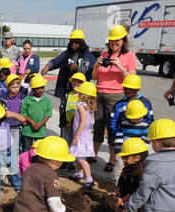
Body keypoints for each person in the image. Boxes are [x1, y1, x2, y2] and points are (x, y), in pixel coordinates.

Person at [91, 25, 137, 171]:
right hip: (99, 94)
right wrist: (96, 66)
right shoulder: (104, 54)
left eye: (117, 40)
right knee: (98, 125)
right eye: (112, 40)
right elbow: (94, 77)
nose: (114, 43)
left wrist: (120, 67)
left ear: (123, 40)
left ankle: (111, 159)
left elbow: (133, 78)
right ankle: (93, 154)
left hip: (116, 96)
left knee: (112, 128)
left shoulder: (129, 55)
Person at [40, 30, 96, 106]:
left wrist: (78, 68)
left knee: (78, 115)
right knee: (64, 113)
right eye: (71, 41)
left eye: (76, 42)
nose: (73, 43)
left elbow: (91, 73)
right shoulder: (66, 54)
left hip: (81, 93)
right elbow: (56, 61)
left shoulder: (89, 56)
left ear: (81, 42)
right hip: (65, 90)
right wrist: (47, 66)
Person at [112, 99, 153, 185]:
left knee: (138, 170)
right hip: (125, 152)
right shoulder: (123, 123)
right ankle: (117, 183)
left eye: (140, 116)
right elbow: (119, 137)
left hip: (138, 153)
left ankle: (136, 185)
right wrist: (118, 151)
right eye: (134, 117)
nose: (138, 119)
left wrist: (141, 154)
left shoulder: (145, 126)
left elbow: (146, 140)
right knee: (119, 165)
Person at [70, 81, 97, 189]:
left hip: (81, 136)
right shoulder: (88, 106)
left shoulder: (81, 106)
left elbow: (83, 121)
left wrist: (76, 136)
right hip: (84, 135)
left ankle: (89, 179)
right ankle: (80, 174)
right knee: (79, 156)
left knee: (81, 159)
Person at [59, 72, 86, 171]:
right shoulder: (68, 95)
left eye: (78, 85)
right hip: (66, 124)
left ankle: (73, 163)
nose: (76, 87)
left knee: (74, 144)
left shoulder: (83, 98)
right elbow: (62, 109)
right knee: (65, 143)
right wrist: (65, 123)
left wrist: (73, 122)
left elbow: (82, 114)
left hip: (76, 125)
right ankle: (65, 161)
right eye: (74, 84)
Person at [20, 73, 52, 152]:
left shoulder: (47, 100)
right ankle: (26, 164)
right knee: (26, 150)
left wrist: (41, 124)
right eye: (37, 88)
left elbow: (48, 114)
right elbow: (23, 112)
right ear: (33, 89)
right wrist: (32, 122)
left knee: (39, 150)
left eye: (42, 87)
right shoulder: (27, 100)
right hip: (28, 130)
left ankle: (37, 164)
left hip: (40, 131)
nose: (40, 90)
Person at [115, 138, 148, 210]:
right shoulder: (129, 167)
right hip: (128, 195)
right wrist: (116, 193)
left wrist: (123, 200)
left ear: (137, 158)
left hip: (140, 203)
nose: (123, 160)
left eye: (126, 158)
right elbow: (122, 181)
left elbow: (138, 191)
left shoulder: (142, 172)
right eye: (122, 157)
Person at [2, 74, 26, 154]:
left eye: (17, 87)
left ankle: (15, 161)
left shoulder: (21, 97)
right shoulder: (4, 98)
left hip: (17, 125)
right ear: (8, 87)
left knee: (15, 145)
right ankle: (8, 159)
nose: (16, 89)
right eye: (13, 87)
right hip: (6, 125)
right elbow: (3, 111)